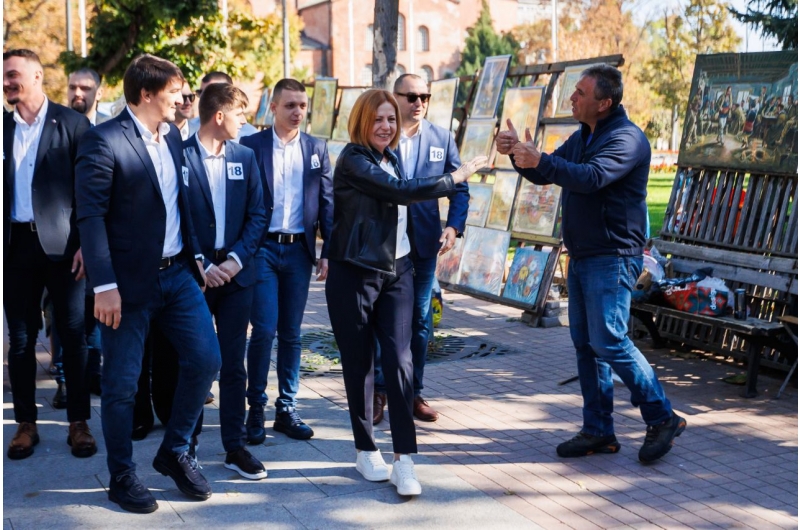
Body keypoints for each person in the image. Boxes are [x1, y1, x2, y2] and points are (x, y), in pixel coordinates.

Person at [496, 64, 686, 464]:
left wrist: (540, 159)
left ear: (604, 102)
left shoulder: (626, 139)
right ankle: (598, 430)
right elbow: (546, 173)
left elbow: (590, 177)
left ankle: (662, 416)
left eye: (580, 92)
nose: (572, 97)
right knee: (586, 345)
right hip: (583, 255)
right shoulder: (584, 134)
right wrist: (519, 153)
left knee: (609, 340)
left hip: (612, 256)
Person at [75, 54, 221, 513]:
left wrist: (196, 260)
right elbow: (91, 217)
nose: (182, 98)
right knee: (121, 385)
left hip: (178, 276)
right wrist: (104, 286)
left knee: (206, 359)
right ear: (145, 93)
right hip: (125, 285)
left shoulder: (173, 135)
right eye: (175, 91)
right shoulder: (103, 140)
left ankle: (174, 451)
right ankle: (122, 475)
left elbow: (178, 203)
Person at [325, 89, 487, 496]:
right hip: (355, 274)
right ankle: (366, 450)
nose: (386, 126)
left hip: (398, 271)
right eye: (378, 119)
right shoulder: (353, 160)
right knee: (360, 365)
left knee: (400, 361)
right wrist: (455, 178)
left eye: (391, 120)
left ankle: (405, 461)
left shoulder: (391, 157)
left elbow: (403, 197)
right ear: (362, 122)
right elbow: (400, 191)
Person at [3, 49, 96, 461]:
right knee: (21, 339)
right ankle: (26, 423)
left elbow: (91, 191)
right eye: (4, 76)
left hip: (65, 247)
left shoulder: (72, 124)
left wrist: (87, 245)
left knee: (73, 336)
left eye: (13, 74)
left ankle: (79, 422)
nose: (6, 82)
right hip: (14, 248)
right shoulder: (2, 127)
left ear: (38, 77)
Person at [372, 74, 470, 425]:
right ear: (395, 97)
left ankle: (412, 392)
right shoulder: (382, 134)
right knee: (383, 317)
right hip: (385, 243)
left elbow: (460, 188)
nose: (419, 103)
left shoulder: (441, 138)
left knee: (420, 320)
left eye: (425, 97)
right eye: (411, 96)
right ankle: (380, 390)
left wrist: (453, 227)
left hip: (425, 243)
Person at [241, 78, 333, 443]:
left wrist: (327, 252)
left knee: (292, 333)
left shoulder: (316, 148)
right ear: (274, 107)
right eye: (290, 105)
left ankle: (287, 408)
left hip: (298, 251)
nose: (297, 112)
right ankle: (255, 406)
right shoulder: (252, 146)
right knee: (264, 329)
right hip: (261, 249)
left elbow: (327, 203)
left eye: (302, 106)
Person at [182, 82, 267, 477]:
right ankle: (187, 444)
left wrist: (235, 260)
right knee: (196, 362)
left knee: (234, 365)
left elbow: (259, 214)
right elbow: (175, 214)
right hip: (194, 278)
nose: (244, 122)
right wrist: (199, 260)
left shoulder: (245, 156)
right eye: (240, 115)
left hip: (237, 277)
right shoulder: (179, 155)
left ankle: (235, 447)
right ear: (219, 116)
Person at [66, 67, 107, 396]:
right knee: (66, 314)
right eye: (72, 87)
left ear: (99, 92)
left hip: (101, 237)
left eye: (85, 87)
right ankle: (66, 379)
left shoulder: (110, 130)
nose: (78, 93)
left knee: (97, 309)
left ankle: (94, 373)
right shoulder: (58, 127)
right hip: (62, 238)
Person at [189, 71, 258, 139]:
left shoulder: (250, 135)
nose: (204, 98)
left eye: (213, 94)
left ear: (232, 93)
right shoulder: (189, 128)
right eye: (200, 92)